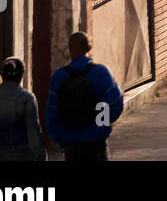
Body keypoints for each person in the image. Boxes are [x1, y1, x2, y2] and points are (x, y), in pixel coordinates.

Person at [44, 31, 124, 161]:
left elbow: (51, 113)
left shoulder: (59, 76)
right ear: (89, 48)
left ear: (69, 50)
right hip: (96, 142)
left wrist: (60, 138)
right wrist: (101, 124)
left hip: (70, 144)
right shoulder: (102, 73)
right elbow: (115, 105)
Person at [0, 58, 45, 162]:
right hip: (19, 155)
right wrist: (40, 157)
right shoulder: (27, 98)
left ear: (2, 74)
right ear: (22, 75)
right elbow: (33, 132)